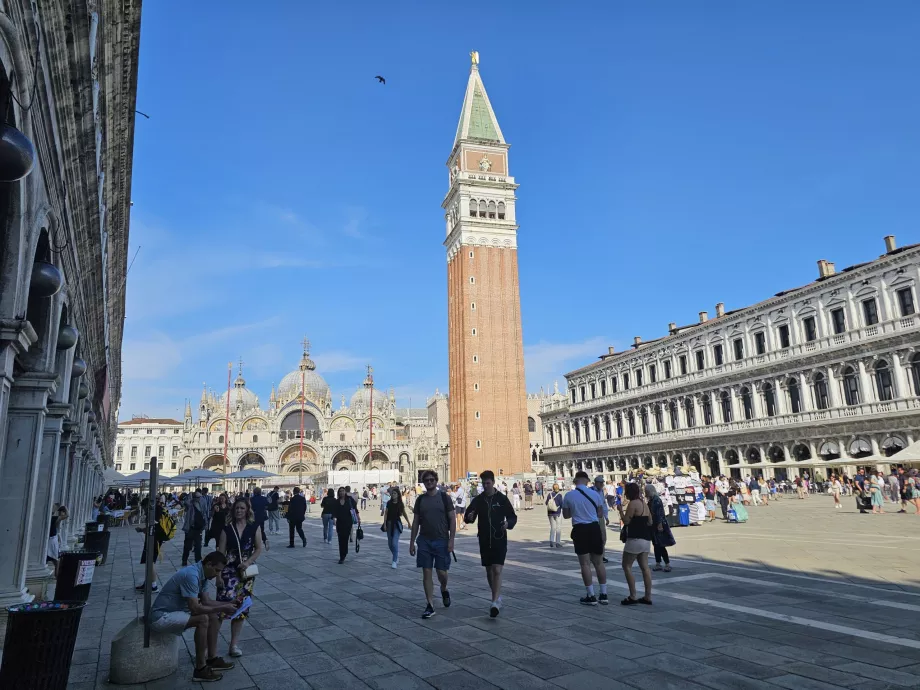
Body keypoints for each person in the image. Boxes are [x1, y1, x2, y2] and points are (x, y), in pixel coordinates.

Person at [149, 551, 238, 682]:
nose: (217, 574)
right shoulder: (191, 575)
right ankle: (200, 669)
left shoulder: (204, 575)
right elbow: (195, 608)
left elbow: (207, 601)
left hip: (175, 612)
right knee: (202, 619)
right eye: (217, 570)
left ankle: (212, 659)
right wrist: (224, 607)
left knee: (213, 615)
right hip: (161, 616)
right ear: (208, 564)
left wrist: (229, 603)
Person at [464, 470, 517, 617]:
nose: (486, 486)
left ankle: (494, 602)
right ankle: (497, 596)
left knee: (497, 569)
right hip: (484, 539)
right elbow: (468, 517)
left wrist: (508, 524)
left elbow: (512, 516)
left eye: (488, 483)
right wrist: (469, 517)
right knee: (489, 570)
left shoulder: (502, 499)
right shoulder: (478, 500)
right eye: (484, 483)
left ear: (493, 482)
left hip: (499, 538)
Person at [216, 497, 263, 657]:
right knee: (220, 610)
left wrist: (249, 562)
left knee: (241, 610)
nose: (239, 511)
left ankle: (233, 645)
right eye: (237, 508)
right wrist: (218, 575)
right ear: (233, 510)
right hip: (228, 573)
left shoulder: (254, 527)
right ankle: (211, 645)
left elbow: (258, 548)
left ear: (247, 510)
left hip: (245, 575)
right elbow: (220, 554)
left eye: (242, 508)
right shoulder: (226, 529)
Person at [409, 469, 455, 619]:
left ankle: (444, 588)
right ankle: (430, 604)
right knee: (426, 572)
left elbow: (452, 519)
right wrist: (411, 542)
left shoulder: (444, 497)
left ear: (436, 481)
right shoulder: (420, 500)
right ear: (423, 482)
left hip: (442, 540)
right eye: (426, 480)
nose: (429, 482)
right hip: (424, 541)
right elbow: (416, 522)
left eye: (431, 480)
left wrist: (451, 540)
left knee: (441, 572)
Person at [561, 471, 608, 606]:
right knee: (599, 562)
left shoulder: (569, 495)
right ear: (587, 481)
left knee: (585, 564)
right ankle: (604, 594)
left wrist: (577, 511)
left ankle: (591, 595)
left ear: (575, 481)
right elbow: (600, 513)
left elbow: (566, 515)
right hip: (594, 528)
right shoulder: (595, 494)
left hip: (580, 529)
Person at [617, 482, 653, 606]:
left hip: (634, 539)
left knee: (626, 566)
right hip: (646, 539)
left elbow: (626, 521)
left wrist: (621, 511)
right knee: (645, 568)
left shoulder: (633, 503)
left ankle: (632, 596)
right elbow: (650, 521)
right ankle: (648, 596)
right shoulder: (644, 504)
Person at [645, 484, 674, 573]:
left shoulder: (656, 500)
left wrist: (660, 524)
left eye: (646, 491)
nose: (645, 493)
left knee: (661, 544)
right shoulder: (651, 500)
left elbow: (659, 513)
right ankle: (658, 563)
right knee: (656, 545)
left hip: (658, 524)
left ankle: (667, 564)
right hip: (653, 524)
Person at [332, 487, 360, 563]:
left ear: (345, 492)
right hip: (339, 523)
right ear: (338, 493)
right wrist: (334, 519)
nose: (341, 492)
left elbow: (355, 509)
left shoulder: (350, 500)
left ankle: (344, 553)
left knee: (345, 538)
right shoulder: (337, 502)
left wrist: (358, 518)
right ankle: (342, 556)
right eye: (340, 491)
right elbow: (334, 511)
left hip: (348, 522)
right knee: (340, 539)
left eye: (343, 491)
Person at [384, 486, 409, 568]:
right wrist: (384, 524)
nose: (393, 495)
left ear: (398, 495)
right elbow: (386, 514)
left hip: (397, 524)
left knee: (394, 543)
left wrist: (409, 522)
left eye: (395, 494)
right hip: (389, 524)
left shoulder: (400, 504)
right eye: (392, 494)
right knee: (390, 544)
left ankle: (394, 561)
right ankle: (396, 555)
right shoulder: (389, 503)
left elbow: (404, 513)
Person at [181, 489, 207, 567]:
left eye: (199, 497)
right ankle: (184, 560)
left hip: (198, 528)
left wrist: (205, 525)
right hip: (190, 528)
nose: (198, 499)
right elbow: (186, 502)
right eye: (197, 497)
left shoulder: (201, 504)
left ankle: (198, 560)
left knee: (198, 545)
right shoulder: (190, 505)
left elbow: (204, 514)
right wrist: (190, 495)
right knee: (187, 545)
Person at [591, 475, 611, 564]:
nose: (603, 485)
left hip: (600, 516)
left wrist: (606, 517)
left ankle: (602, 555)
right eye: (601, 483)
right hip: (592, 517)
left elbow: (603, 505)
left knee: (603, 537)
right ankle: (594, 555)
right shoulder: (590, 491)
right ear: (597, 483)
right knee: (594, 537)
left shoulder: (602, 491)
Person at [47, 504, 68, 577]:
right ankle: (57, 574)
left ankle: (56, 573)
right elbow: (66, 515)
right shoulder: (53, 518)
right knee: (56, 558)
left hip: (52, 539)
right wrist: (65, 508)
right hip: (52, 540)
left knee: (54, 558)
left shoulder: (52, 518)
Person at [546, 483, 564, 547]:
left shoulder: (549, 494)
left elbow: (546, 503)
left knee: (552, 527)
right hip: (557, 513)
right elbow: (561, 504)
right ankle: (558, 542)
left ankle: (551, 540)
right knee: (558, 528)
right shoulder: (559, 495)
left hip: (550, 513)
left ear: (553, 488)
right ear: (558, 488)